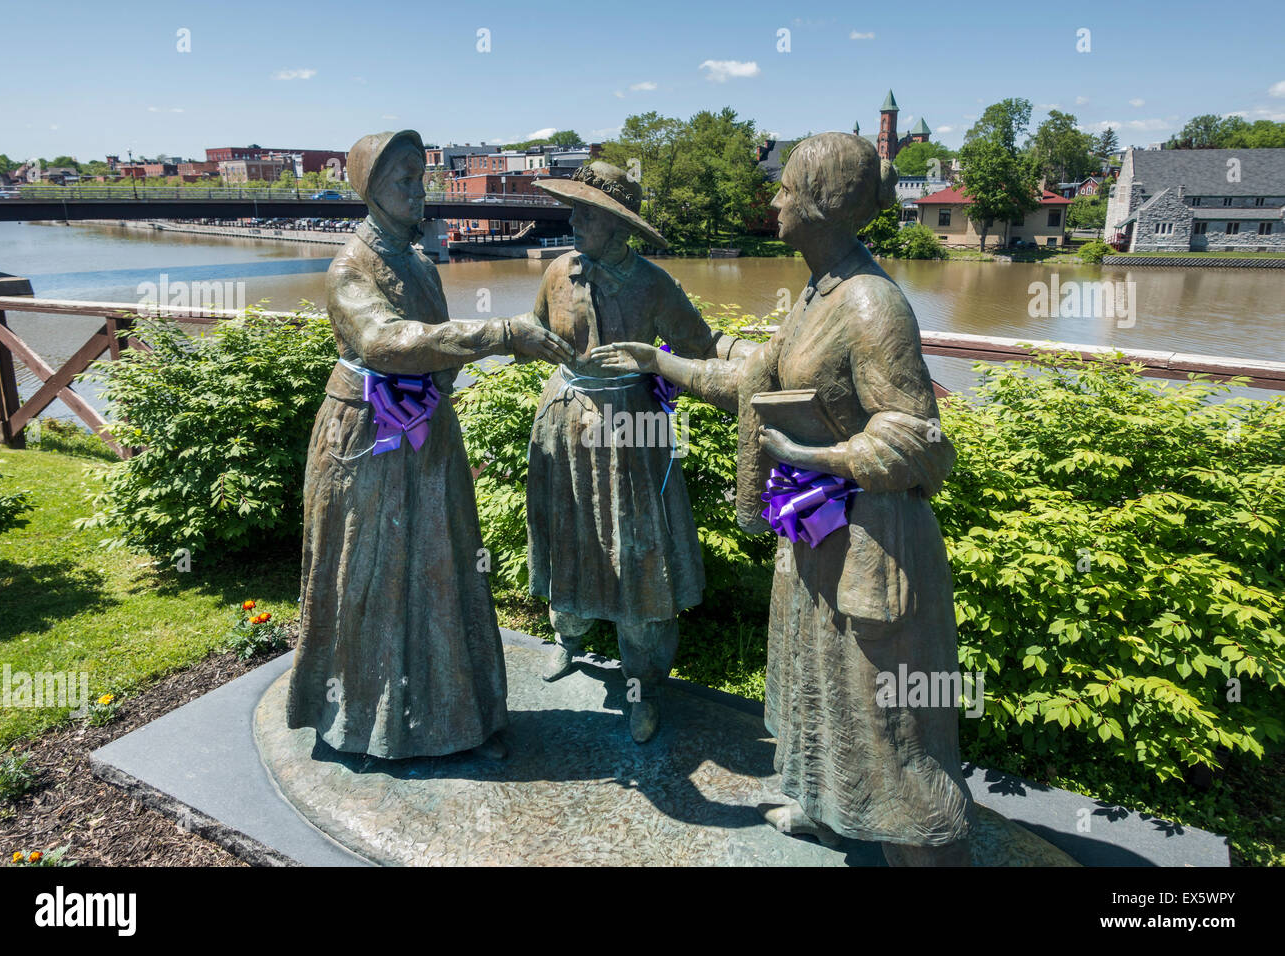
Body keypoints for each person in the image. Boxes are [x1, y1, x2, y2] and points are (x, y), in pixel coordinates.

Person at [592, 132, 973, 864]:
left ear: (821, 203)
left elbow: (919, 437)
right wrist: (658, 362)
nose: (773, 200)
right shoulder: (817, 291)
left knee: (879, 709)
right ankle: (832, 808)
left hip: (870, 537)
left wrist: (814, 455)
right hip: (818, 529)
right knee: (819, 684)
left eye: (785, 189)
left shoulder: (870, 304)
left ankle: (918, 850)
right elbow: (750, 380)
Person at [286, 130, 573, 760]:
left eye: (422, 177)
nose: (420, 191)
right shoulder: (348, 270)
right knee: (371, 570)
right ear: (369, 189)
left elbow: (435, 347)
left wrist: (464, 364)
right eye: (403, 180)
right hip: (369, 435)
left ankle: (450, 719)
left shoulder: (416, 261)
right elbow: (384, 343)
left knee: (439, 565)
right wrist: (500, 333)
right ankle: (361, 721)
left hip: (428, 429)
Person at [523, 162, 751, 743]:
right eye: (573, 210)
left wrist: (760, 360)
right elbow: (531, 330)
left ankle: (643, 682)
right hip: (567, 426)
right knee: (569, 538)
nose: (572, 221)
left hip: (631, 438)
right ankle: (567, 639)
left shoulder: (653, 285)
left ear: (617, 226)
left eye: (585, 214)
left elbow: (701, 345)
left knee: (637, 556)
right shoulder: (557, 272)